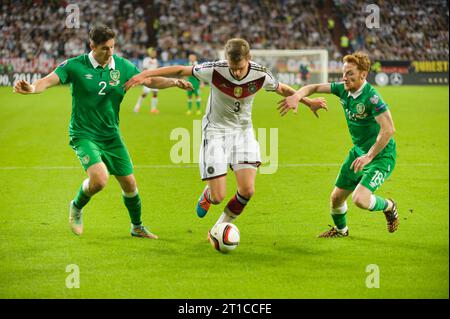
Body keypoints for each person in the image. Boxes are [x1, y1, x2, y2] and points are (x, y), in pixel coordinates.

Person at [124, 38, 327, 237]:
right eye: (232, 67)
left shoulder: (260, 73)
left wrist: (307, 102)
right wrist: (145, 74)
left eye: (239, 67)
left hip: (243, 132)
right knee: (218, 196)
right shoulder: (215, 69)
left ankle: (219, 228)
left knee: (247, 190)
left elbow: (281, 88)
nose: (236, 72)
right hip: (215, 132)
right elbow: (180, 70)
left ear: (249, 58)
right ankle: (208, 194)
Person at [13, 25, 192, 238]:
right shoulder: (75, 66)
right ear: (92, 46)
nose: (109, 53)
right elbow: (48, 80)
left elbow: (150, 79)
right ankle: (77, 206)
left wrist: (173, 82)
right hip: (84, 133)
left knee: (130, 183)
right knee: (99, 180)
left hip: (111, 134)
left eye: (112, 47)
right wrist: (33, 88)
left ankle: (137, 227)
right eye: (105, 48)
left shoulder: (123, 67)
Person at [278, 51, 398, 238]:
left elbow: (389, 129)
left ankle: (389, 206)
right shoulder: (343, 88)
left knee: (360, 199)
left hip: (381, 156)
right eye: (344, 73)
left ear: (363, 74)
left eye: (350, 73)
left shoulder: (372, 98)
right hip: (358, 152)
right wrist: (298, 96)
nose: (345, 77)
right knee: (336, 198)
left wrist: (369, 156)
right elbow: (315, 87)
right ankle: (341, 231)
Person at [134, 49, 160, 114]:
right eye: (153, 53)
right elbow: (144, 69)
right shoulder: (146, 60)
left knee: (155, 93)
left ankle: (153, 109)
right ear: (150, 53)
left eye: (155, 53)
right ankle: (137, 107)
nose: (154, 54)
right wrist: (145, 77)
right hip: (148, 78)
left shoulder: (156, 60)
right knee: (145, 93)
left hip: (155, 79)